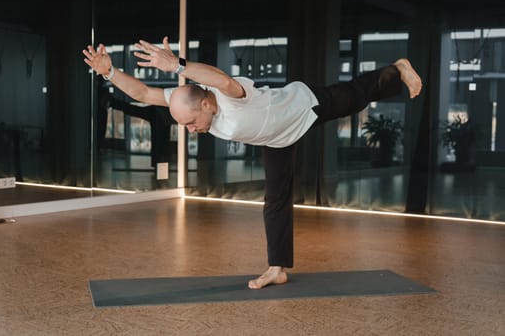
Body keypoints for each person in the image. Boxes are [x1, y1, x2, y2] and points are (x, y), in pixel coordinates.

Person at [83, 36, 422, 290]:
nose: (189, 130)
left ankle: (397, 69)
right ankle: (277, 268)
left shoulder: (232, 97)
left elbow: (223, 80)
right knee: (275, 200)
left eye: (190, 123)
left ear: (205, 105)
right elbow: (144, 95)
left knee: (354, 95)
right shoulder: (184, 100)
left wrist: (178, 65)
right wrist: (110, 71)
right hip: (276, 139)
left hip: (303, 108)